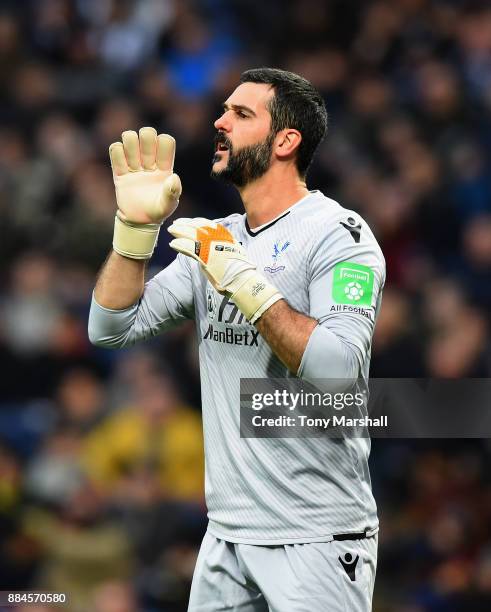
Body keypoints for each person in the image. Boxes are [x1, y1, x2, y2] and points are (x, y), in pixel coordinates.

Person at [88, 68, 385, 611]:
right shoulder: (216, 240)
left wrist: (247, 284)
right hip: (225, 534)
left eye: (241, 114)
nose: (219, 122)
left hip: (315, 536)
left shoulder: (342, 236)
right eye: (223, 110)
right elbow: (110, 328)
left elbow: (338, 371)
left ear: (286, 141)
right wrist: (133, 230)